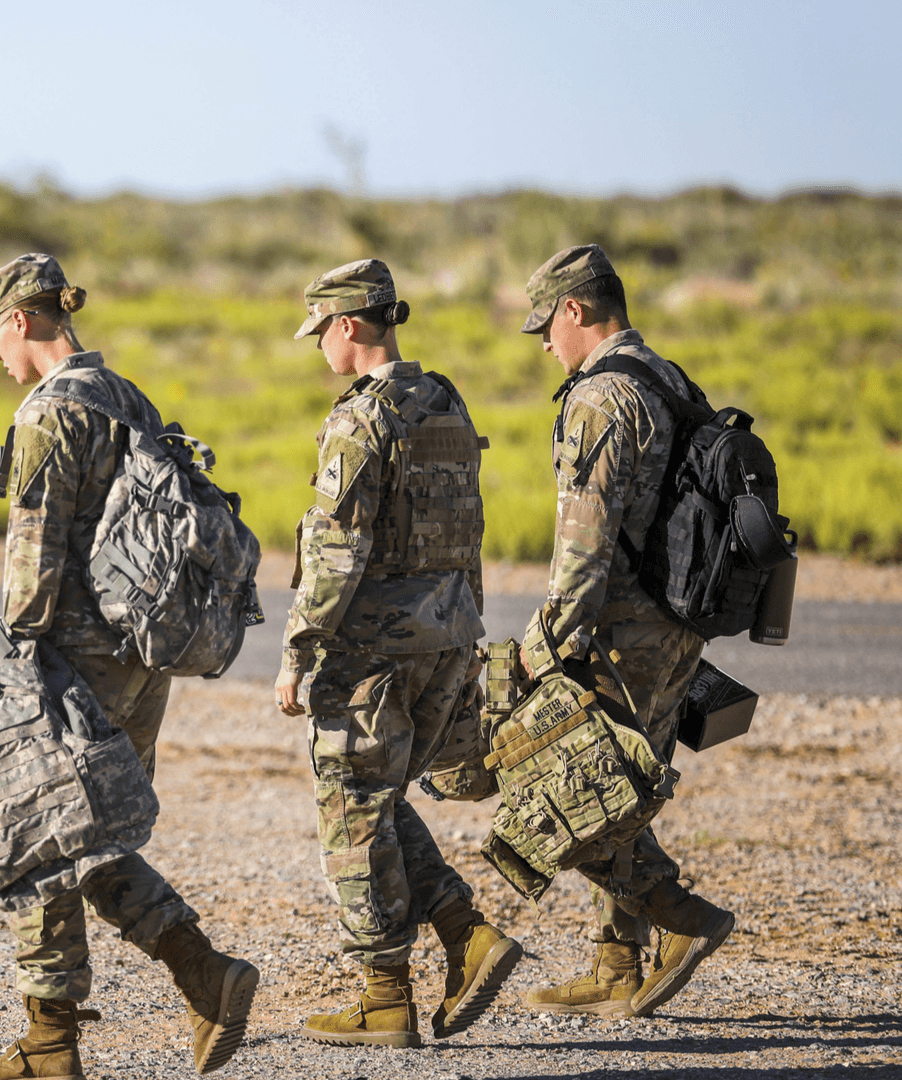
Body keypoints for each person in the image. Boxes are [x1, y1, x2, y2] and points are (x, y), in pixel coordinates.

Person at [0, 253, 258, 1079]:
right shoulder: (127, 397)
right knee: (89, 833)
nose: (0, 361)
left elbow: (34, 557)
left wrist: (9, 658)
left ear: (20, 319)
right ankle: (199, 975)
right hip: (145, 652)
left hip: (75, 657)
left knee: (36, 825)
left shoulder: (46, 415)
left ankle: (57, 1041)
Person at [273, 259, 520, 1048]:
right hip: (448, 633)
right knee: (378, 799)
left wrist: (298, 651)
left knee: (350, 806)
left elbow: (336, 550)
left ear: (348, 326)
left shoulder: (359, 419)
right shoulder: (443, 398)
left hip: (374, 649)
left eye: (321, 333)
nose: (319, 349)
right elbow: (470, 524)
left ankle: (387, 994)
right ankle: (463, 933)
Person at [513, 244, 734, 1018]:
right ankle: (616, 966)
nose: (544, 342)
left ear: (576, 310)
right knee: (629, 791)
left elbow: (585, 544)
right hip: (681, 624)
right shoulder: (670, 379)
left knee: (569, 788)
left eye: (546, 324)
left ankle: (683, 919)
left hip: (621, 631)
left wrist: (537, 650)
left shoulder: (600, 397)